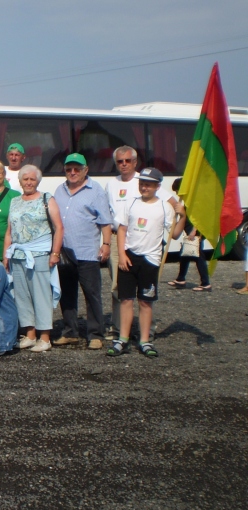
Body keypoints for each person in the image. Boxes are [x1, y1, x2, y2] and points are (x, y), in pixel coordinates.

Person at [108, 168, 186, 359]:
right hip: (129, 257)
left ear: (158, 186)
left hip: (151, 260)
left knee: (145, 301)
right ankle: (123, 339)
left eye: (149, 184)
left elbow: (174, 234)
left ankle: (145, 340)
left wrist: (182, 216)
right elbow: (122, 230)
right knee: (125, 299)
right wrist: (122, 254)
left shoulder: (164, 208)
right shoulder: (131, 203)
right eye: (142, 183)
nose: (144, 187)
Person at [53, 153, 112, 350]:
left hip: (87, 252)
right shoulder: (59, 190)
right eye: (69, 169)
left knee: (92, 294)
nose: (72, 172)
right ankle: (71, 331)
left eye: (77, 169)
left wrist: (106, 245)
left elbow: (105, 222)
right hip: (65, 252)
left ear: (85, 170)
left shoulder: (96, 191)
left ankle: (96, 334)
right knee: (67, 294)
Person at [4, 165, 64, 353]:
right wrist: (6, 255)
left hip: (40, 254)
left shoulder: (47, 199)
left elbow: (59, 227)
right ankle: (29, 334)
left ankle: (44, 337)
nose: (28, 182)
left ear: (37, 181)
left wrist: (55, 253)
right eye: (25, 179)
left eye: (32, 179)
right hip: (18, 255)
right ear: (20, 181)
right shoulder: (14, 201)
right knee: (22, 295)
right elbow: (9, 232)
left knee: (41, 295)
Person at [168, 178, 210, 291]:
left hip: (196, 232)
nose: (176, 193)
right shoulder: (187, 200)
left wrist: (194, 231)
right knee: (184, 255)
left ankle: (206, 283)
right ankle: (181, 279)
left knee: (198, 256)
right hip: (191, 231)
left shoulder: (194, 200)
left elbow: (200, 217)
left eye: (177, 190)